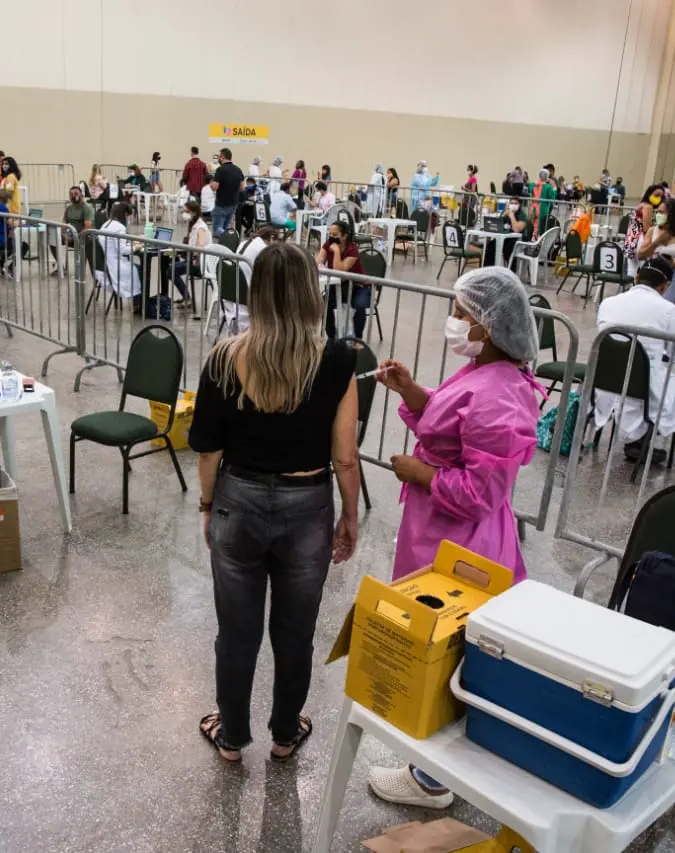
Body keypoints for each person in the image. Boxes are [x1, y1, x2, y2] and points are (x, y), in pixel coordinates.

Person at [367, 267, 543, 809]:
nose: (453, 321)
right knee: (439, 645)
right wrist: (410, 390)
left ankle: (432, 781)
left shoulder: (501, 396)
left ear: (486, 327)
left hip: (460, 541)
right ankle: (432, 762)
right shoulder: (482, 372)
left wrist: (418, 472)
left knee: (448, 650)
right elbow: (449, 426)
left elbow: (480, 493)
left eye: (461, 314)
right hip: (438, 531)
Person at [190, 240, 360, 763]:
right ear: (312, 292)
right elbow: (345, 457)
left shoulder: (224, 358)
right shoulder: (337, 360)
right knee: (295, 631)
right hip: (307, 506)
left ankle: (232, 737)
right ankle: (285, 734)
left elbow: (208, 451)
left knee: (236, 631)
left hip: (237, 500)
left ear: (256, 293)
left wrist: (207, 507)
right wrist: (350, 517)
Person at [594, 257, 675, 461]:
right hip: (642, 384)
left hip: (605, 379)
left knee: (656, 380)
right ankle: (643, 439)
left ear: (636, 277)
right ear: (664, 285)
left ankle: (638, 439)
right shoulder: (667, 310)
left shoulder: (608, 303)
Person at [637, 198, 675, 307]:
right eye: (657, 212)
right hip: (652, 271)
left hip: (673, 273)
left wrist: (672, 263)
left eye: (662, 212)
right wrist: (656, 243)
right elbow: (641, 255)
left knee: (668, 302)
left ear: (672, 215)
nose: (658, 215)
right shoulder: (652, 230)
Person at [316, 219, 367, 339]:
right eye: (330, 234)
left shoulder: (353, 250)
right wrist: (320, 261)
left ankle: (357, 339)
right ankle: (332, 337)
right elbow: (318, 261)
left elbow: (340, 271)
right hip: (338, 285)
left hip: (358, 286)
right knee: (325, 304)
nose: (331, 237)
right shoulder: (328, 244)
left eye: (335, 235)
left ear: (344, 236)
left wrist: (337, 251)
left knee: (360, 305)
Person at [98, 202, 142, 313]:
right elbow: (122, 250)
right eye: (128, 216)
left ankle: (138, 303)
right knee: (141, 270)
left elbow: (115, 244)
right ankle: (139, 304)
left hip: (106, 265)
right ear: (124, 214)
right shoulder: (120, 227)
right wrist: (136, 247)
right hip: (116, 266)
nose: (129, 219)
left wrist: (130, 244)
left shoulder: (106, 224)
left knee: (137, 268)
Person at [53, 184, 94, 275]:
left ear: (81, 195)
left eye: (76, 193)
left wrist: (75, 237)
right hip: (71, 235)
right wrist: (63, 234)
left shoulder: (86, 208)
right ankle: (60, 267)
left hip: (84, 236)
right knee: (53, 240)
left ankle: (81, 273)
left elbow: (87, 227)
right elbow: (64, 222)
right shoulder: (69, 208)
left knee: (83, 243)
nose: (73, 196)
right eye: (71, 194)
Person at [625, 185, 664, 274]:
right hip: (641, 238)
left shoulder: (640, 205)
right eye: (656, 195)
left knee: (631, 269)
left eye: (661, 196)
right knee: (643, 267)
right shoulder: (648, 207)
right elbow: (646, 227)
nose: (659, 198)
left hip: (631, 237)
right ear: (649, 194)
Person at [210, 148, 244, 236]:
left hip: (222, 204)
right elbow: (242, 188)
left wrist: (211, 183)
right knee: (225, 227)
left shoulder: (220, 170)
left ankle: (230, 238)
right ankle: (227, 240)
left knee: (217, 228)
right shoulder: (238, 169)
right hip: (233, 204)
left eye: (219, 157)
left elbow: (215, 187)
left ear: (222, 157)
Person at [531, 168, 557, 235]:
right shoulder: (548, 187)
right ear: (547, 177)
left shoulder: (533, 184)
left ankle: (533, 236)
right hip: (543, 209)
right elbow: (552, 198)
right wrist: (554, 188)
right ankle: (539, 238)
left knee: (533, 223)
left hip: (533, 208)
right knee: (542, 225)